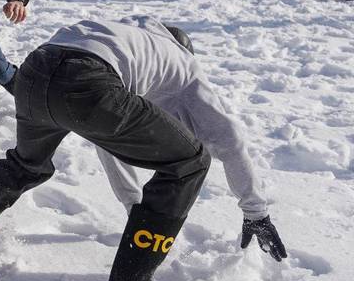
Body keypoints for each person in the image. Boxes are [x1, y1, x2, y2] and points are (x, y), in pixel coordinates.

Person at [0, 17, 214, 281]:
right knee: (190, 162)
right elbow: (228, 133)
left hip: (35, 72)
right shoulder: (181, 60)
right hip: (88, 82)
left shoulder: (121, 32)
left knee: (26, 164)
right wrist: (254, 210)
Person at [93, 26, 287, 262]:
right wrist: (133, 207)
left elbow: (231, 141)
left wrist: (256, 213)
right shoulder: (138, 73)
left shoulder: (185, 84)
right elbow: (107, 142)